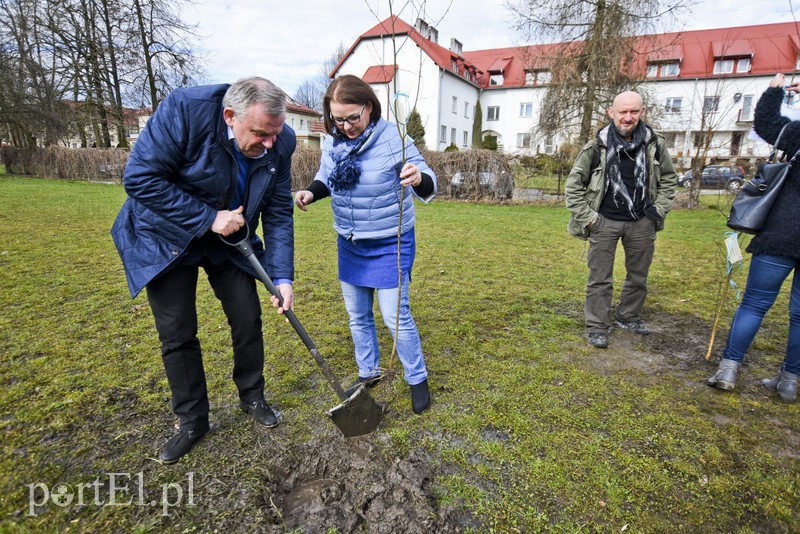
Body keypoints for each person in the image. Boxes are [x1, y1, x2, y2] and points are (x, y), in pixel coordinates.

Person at [111, 77, 296, 464]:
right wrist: (208, 217)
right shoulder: (185, 111)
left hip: (230, 239)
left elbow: (278, 211)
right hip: (165, 237)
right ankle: (192, 420)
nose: (269, 145)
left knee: (247, 317)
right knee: (177, 333)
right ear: (230, 116)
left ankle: (252, 396)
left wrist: (282, 277)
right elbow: (140, 178)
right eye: (261, 134)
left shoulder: (281, 140)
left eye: (275, 135)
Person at [294, 74, 436, 414]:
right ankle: (368, 371)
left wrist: (417, 178)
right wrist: (310, 193)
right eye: (337, 118)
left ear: (369, 107)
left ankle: (417, 377)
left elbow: (428, 179)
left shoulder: (394, 139)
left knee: (394, 315)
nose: (345, 125)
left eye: (352, 117)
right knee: (358, 315)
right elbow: (326, 177)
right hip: (351, 240)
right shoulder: (333, 141)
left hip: (391, 240)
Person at [707, 73, 800, 403]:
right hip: (784, 234)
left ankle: (728, 369)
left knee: (755, 304)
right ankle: (790, 380)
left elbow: (765, 122)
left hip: (783, 233)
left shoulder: (797, 134)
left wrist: (775, 89)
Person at [565, 91, 677, 348]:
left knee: (638, 276)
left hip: (642, 221)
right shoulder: (596, 146)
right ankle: (597, 326)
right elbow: (573, 186)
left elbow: (670, 179)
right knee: (600, 278)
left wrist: (658, 210)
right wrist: (589, 218)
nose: (628, 117)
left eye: (634, 111)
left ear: (642, 112)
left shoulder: (655, 144)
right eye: (623, 112)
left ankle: (628, 316)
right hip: (603, 222)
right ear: (611, 112)